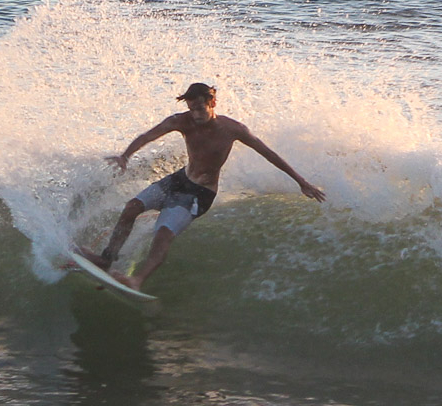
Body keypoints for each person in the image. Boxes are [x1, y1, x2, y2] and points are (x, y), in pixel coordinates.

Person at [77, 82, 325, 290]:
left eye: (200, 108)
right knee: (132, 207)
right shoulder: (181, 121)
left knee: (163, 234)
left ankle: (137, 280)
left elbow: (269, 154)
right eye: (191, 108)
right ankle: (106, 260)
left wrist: (301, 182)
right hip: (179, 179)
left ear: (212, 103)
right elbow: (147, 136)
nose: (196, 114)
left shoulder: (233, 129)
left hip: (200, 193)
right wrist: (125, 156)